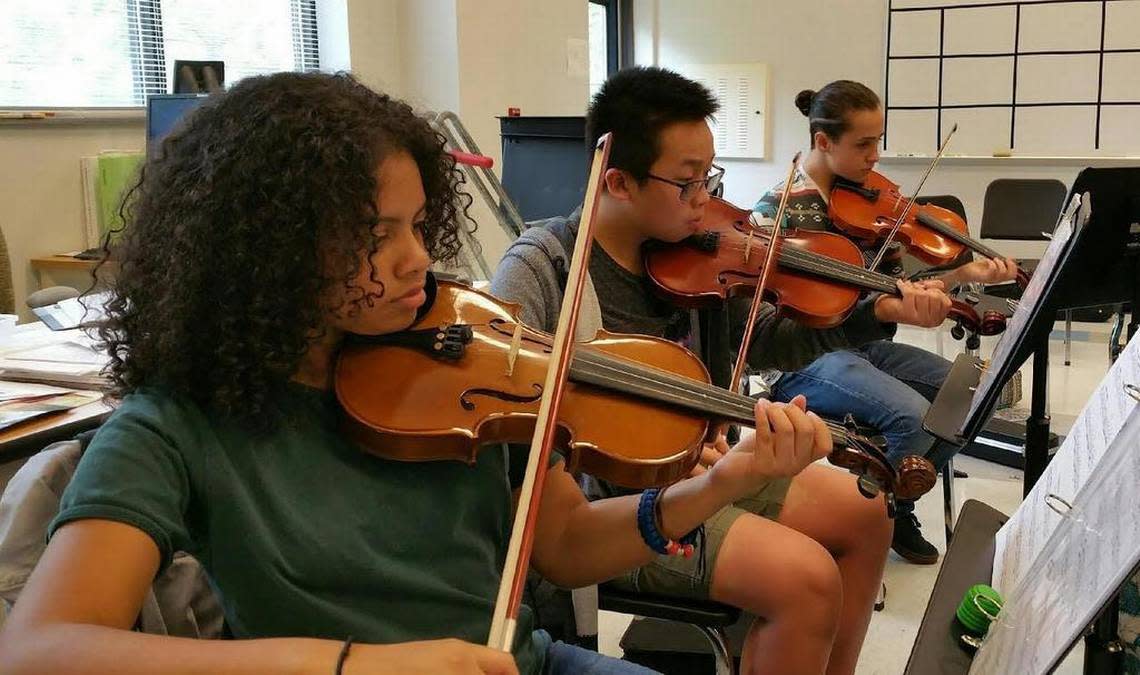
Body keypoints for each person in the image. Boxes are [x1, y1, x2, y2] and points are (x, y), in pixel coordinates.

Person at [0, 72, 834, 675]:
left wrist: (719, 483)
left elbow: (570, 545)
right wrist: (353, 663)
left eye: (415, 226)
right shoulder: (176, 423)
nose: (417, 263)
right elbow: (40, 649)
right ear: (266, 247)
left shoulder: (465, 359)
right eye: (375, 233)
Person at [491, 66, 955, 675]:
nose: (705, 199)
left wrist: (872, 313)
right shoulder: (543, 271)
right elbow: (517, 446)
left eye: (709, 176)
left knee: (867, 512)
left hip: (706, 465)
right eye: (686, 183)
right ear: (619, 183)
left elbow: (765, 340)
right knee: (806, 581)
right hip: (612, 505)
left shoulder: (700, 250)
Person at [752, 80, 1020, 564]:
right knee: (914, 418)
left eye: (878, 141)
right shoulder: (779, 211)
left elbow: (896, 285)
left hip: (865, 344)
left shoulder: (872, 202)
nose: (875, 156)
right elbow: (769, 317)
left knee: (969, 391)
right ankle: (866, 521)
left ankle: (899, 497)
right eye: (863, 144)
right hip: (802, 354)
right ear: (822, 142)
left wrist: (963, 272)